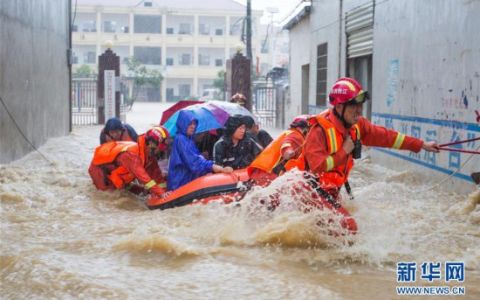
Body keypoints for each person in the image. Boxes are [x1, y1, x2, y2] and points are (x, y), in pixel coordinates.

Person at [303, 77, 439, 200]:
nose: (359, 110)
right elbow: (317, 167)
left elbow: (387, 137)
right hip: (309, 192)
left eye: (360, 105)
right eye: (353, 105)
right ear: (338, 107)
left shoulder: (357, 125)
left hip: (329, 192)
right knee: (350, 226)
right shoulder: (319, 130)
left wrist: (421, 144)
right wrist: (344, 152)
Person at [88, 126, 170, 198]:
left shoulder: (148, 155)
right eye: (160, 149)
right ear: (152, 144)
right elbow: (144, 178)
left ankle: (127, 187)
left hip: (117, 171)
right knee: (109, 196)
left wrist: (164, 191)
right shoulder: (132, 155)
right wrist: (161, 194)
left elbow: (156, 175)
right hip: (99, 170)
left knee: (138, 191)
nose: (160, 152)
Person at [168, 110, 233, 191]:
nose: (193, 126)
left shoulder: (189, 139)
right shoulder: (180, 139)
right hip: (180, 183)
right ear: (183, 124)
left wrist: (203, 158)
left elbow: (194, 157)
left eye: (194, 124)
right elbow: (194, 163)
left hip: (187, 180)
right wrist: (215, 167)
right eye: (190, 124)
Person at [248, 115, 311, 186]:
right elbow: (287, 143)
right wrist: (288, 151)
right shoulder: (296, 135)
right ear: (302, 129)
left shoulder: (288, 133)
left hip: (261, 172)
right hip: (269, 176)